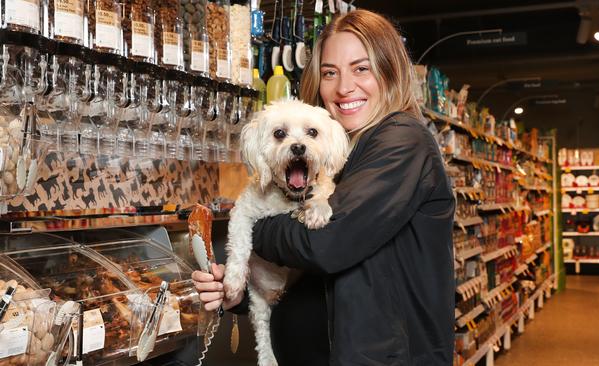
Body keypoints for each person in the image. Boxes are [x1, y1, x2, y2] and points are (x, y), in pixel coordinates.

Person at [192, 9, 455, 366]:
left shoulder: (402, 140)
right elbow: (313, 277)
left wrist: (253, 227)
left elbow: (324, 243)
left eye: (361, 69)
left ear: (390, 71)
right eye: (330, 73)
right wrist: (237, 289)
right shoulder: (344, 151)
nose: (344, 87)